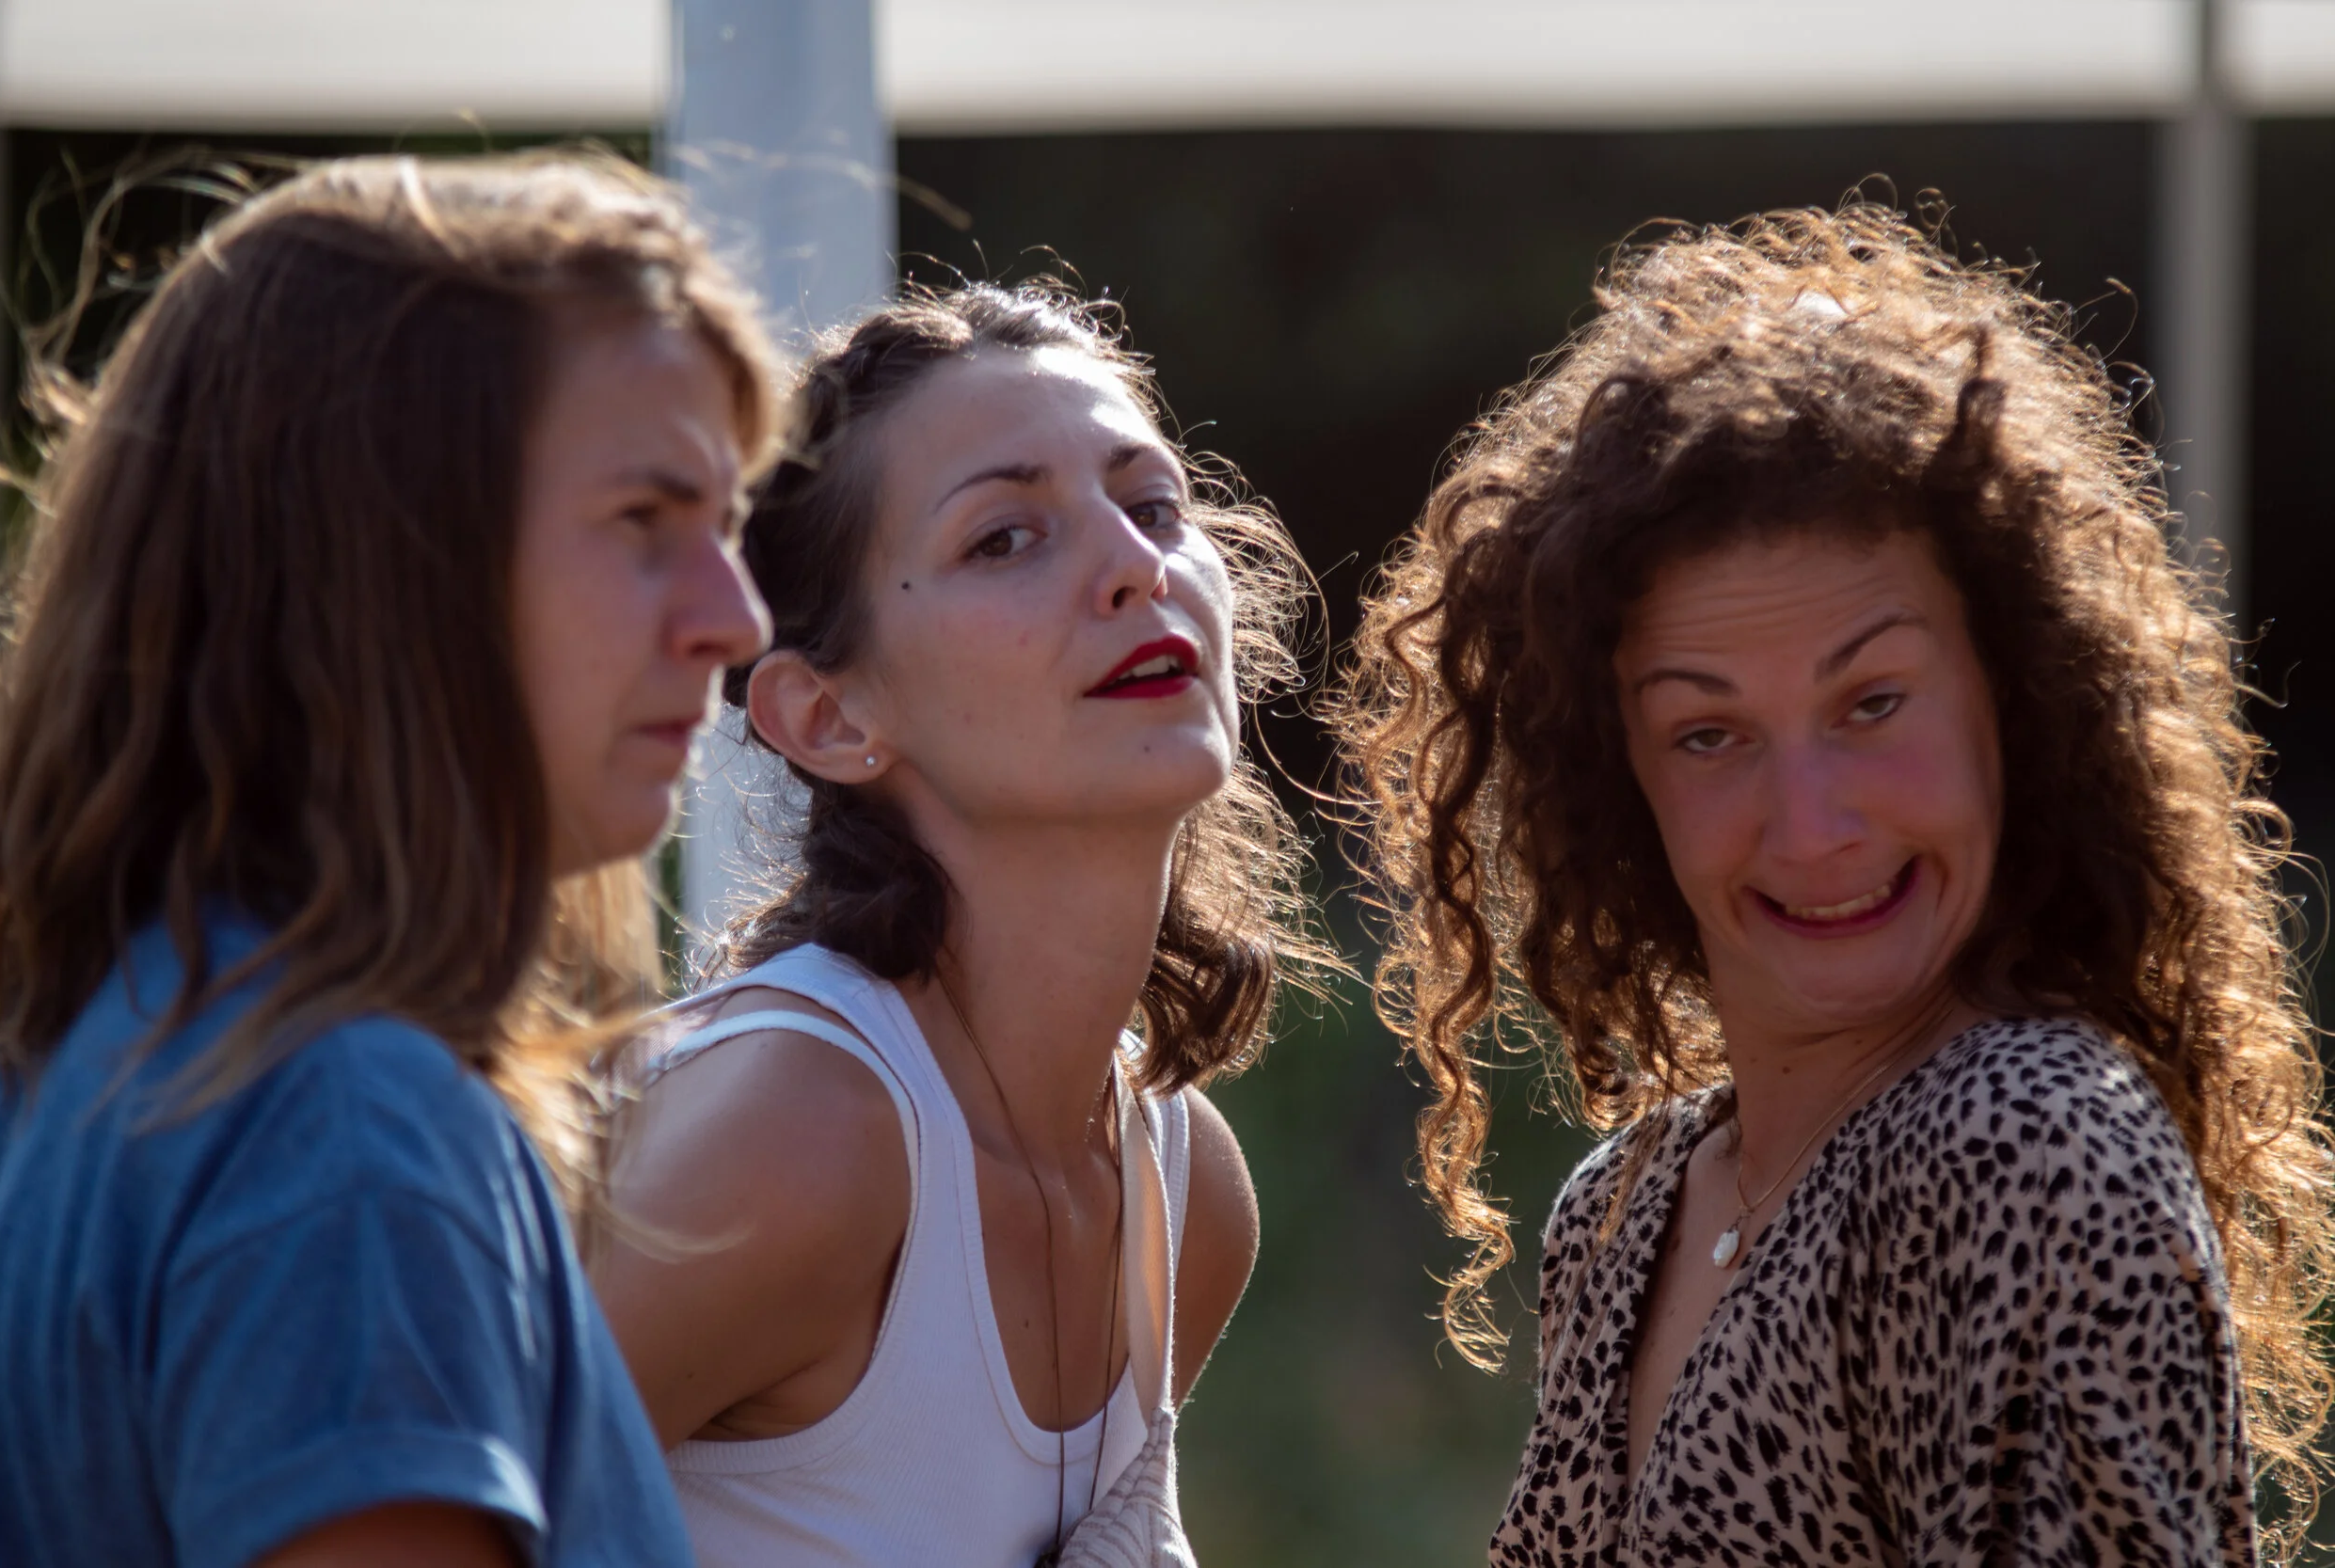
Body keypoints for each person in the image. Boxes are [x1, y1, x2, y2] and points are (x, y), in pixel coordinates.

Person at [1335, 202, 2335, 1564]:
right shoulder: (1624, 1210)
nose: (1811, 828)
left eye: (1872, 703)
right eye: (1709, 734)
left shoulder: (2028, 1142)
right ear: (1616, 782)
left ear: (2015, 703)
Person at [0, 152, 777, 1567]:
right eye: (644, 522)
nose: (736, 618)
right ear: (382, 559)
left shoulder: (89, 1055)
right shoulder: (344, 1136)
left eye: (722, 525)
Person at [590, 281, 1328, 1568]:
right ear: (826, 717)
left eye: (1155, 505)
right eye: (1004, 538)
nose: (1137, 565)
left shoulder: (1186, 1196)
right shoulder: (800, 1138)